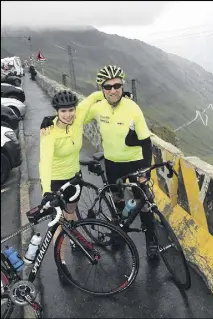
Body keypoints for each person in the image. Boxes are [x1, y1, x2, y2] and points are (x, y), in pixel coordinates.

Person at [40, 65, 158, 260]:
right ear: (102, 88)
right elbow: (72, 117)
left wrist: (146, 171)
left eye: (117, 85)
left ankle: (151, 242)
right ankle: (119, 235)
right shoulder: (97, 107)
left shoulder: (132, 108)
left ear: (122, 85)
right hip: (112, 163)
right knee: (117, 201)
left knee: (144, 204)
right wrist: (51, 120)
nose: (113, 90)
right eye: (108, 87)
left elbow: (146, 141)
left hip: (135, 162)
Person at [39, 89, 104, 284]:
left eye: (71, 110)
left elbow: (93, 96)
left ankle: (75, 239)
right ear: (57, 112)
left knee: (71, 213)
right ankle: (62, 263)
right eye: (63, 111)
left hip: (74, 179)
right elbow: (45, 162)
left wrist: (120, 94)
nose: (68, 115)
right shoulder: (49, 132)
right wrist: (46, 191)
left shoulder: (79, 116)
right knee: (61, 225)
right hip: (56, 182)